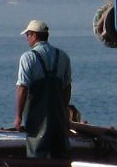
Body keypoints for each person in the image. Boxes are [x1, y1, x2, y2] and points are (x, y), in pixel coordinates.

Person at [12, 18, 72, 159]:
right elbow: (67, 87)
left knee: (36, 150)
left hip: (37, 117)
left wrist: (18, 117)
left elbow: (23, 88)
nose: (27, 39)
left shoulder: (28, 58)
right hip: (58, 116)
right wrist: (64, 112)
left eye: (28, 35)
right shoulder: (63, 56)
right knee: (60, 153)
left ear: (34, 35)